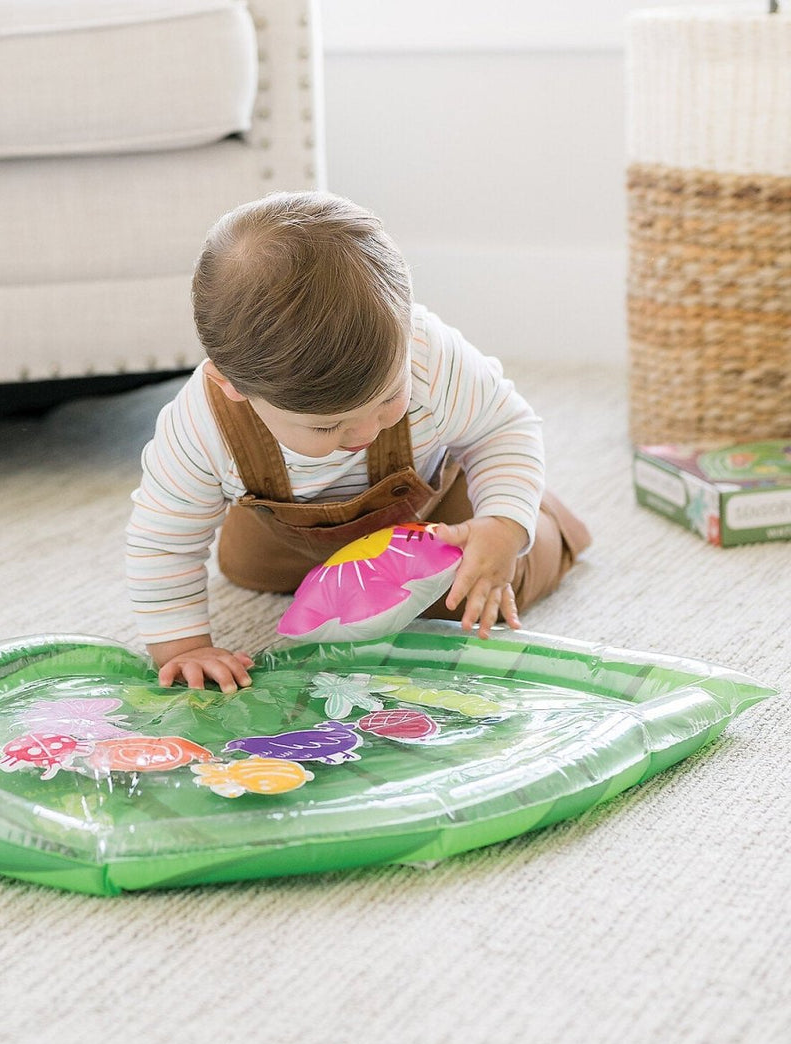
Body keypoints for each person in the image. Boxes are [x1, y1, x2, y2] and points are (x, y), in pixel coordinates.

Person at [126, 191, 590, 691]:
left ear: (406, 327)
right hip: (289, 525)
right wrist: (185, 648)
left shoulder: (430, 358)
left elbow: (504, 429)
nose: (367, 434)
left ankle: (538, 516)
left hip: (432, 515)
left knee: (480, 590)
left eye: (390, 399)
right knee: (244, 566)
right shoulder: (200, 428)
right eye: (327, 427)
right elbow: (163, 544)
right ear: (233, 387)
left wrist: (503, 526)